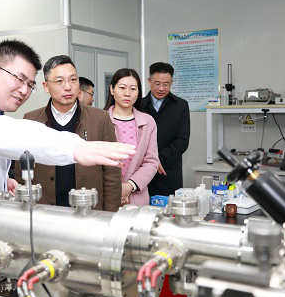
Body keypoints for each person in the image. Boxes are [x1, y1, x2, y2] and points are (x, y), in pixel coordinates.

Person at [0, 40, 135, 200]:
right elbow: (13, 135)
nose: (24, 91)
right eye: (19, 79)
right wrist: (76, 148)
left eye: (29, 85)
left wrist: (2, 180)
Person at [18, 56, 121, 211]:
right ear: (46, 86)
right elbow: (22, 174)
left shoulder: (100, 119)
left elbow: (112, 173)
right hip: (44, 212)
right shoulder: (31, 120)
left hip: (89, 212)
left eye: (73, 80)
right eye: (59, 81)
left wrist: (110, 215)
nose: (68, 87)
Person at [104, 69, 159, 205]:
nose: (127, 93)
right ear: (112, 89)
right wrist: (116, 188)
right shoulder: (100, 119)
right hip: (105, 193)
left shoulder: (148, 122)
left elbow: (151, 161)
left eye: (133, 89)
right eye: (122, 88)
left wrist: (129, 186)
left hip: (136, 195)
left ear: (138, 92)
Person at [139, 62, 190, 197]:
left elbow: (182, 140)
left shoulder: (180, 106)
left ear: (171, 82)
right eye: (157, 84)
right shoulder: (139, 105)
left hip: (168, 171)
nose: (161, 88)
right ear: (149, 81)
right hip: (141, 171)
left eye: (166, 84)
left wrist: (158, 161)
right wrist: (149, 162)